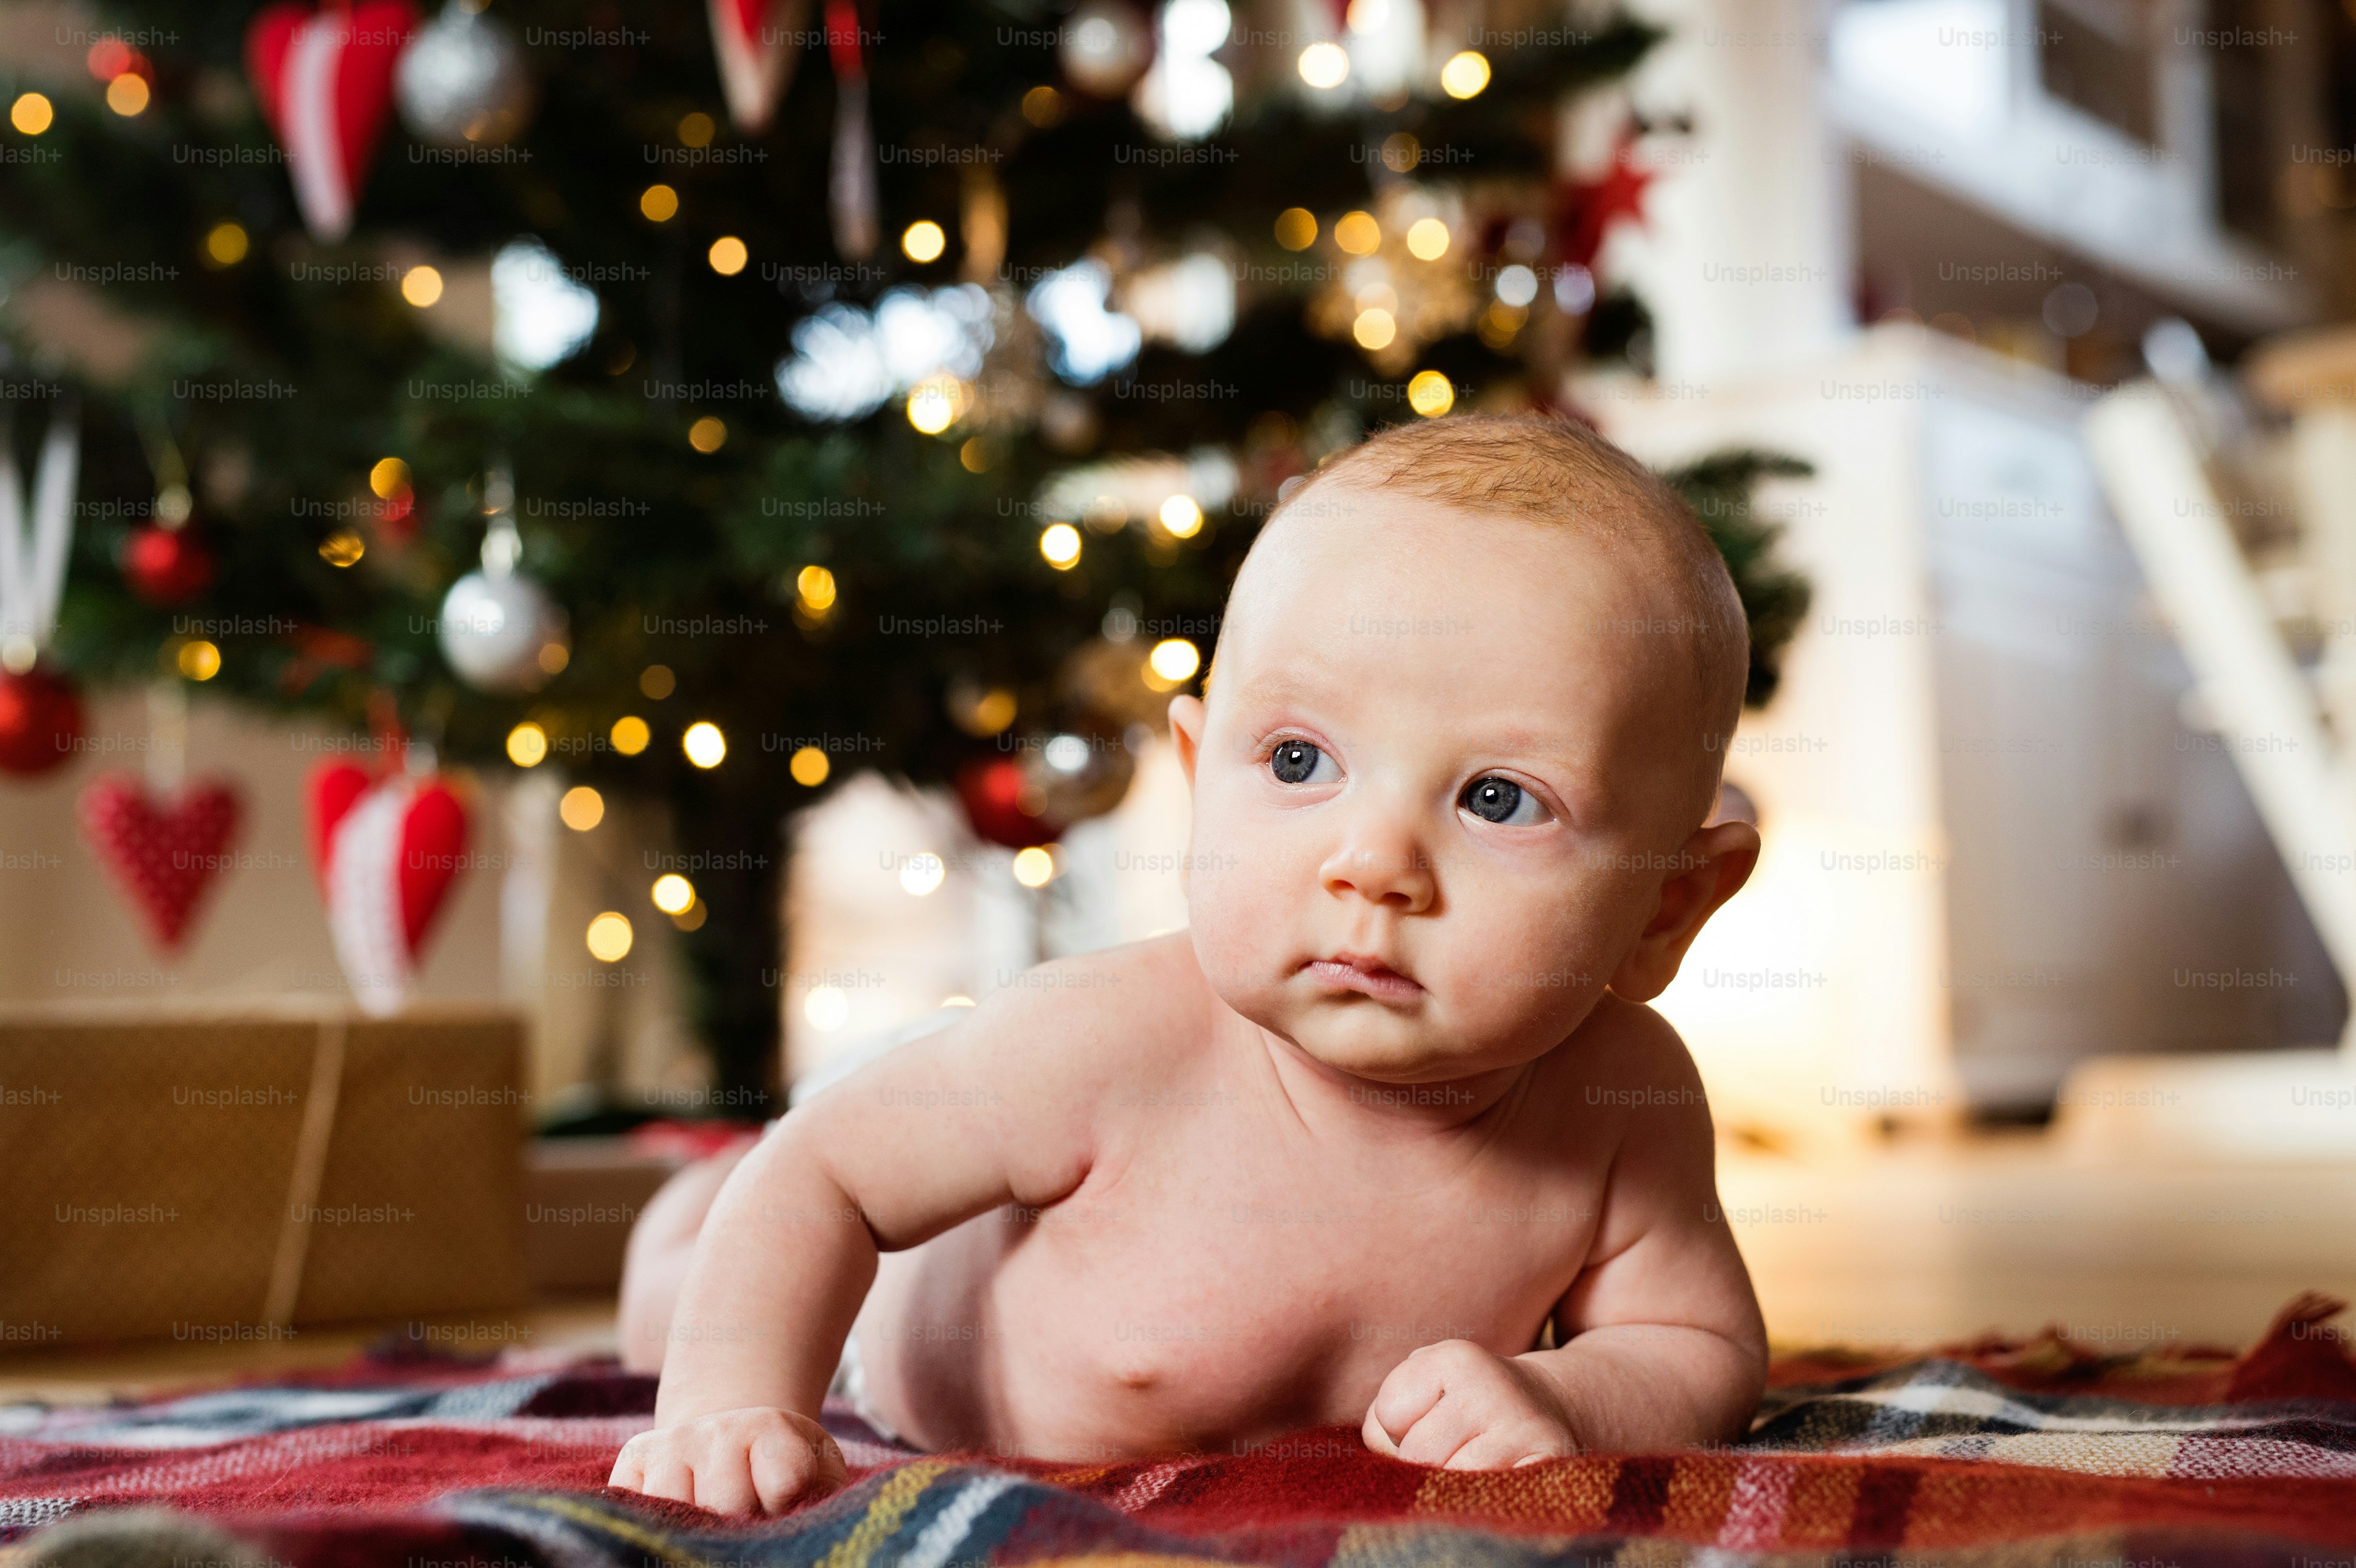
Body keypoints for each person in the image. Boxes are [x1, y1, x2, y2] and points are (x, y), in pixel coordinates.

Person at [609, 413, 1769, 1515]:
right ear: (1198, 767)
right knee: (701, 1285)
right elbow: (826, 1179)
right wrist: (731, 1405)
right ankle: (687, 1202)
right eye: (1301, 758)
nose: (1372, 865)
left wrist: (1569, 1394)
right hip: (891, 1303)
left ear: (1666, 908)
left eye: (1499, 798)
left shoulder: (1626, 1102)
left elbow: (1696, 1345)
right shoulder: (1101, 1044)